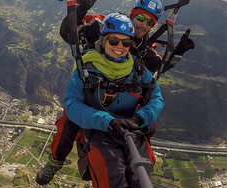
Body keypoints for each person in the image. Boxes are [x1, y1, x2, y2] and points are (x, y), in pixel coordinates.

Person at [36, 0, 193, 185]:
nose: (143, 25)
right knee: (71, 119)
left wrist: (177, 54)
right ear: (132, 14)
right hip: (93, 89)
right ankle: (56, 161)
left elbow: (158, 71)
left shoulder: (147, 48)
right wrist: (81, 8)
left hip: (120, 98)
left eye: (149, 22)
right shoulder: (105, 25)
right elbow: (69, 34)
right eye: (140, 18)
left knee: (148, 123)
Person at [67, 13, 164, 187]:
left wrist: (140, 118)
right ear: (103, 41)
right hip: (100, 131)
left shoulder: (138, 68)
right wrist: (108, 122)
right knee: (113, 176)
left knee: (140, 176)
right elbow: (72, 105)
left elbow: (156, 98)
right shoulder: (86, 69)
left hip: (133, 129)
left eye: (126, 42)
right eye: (114, 41)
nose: (120, 46)